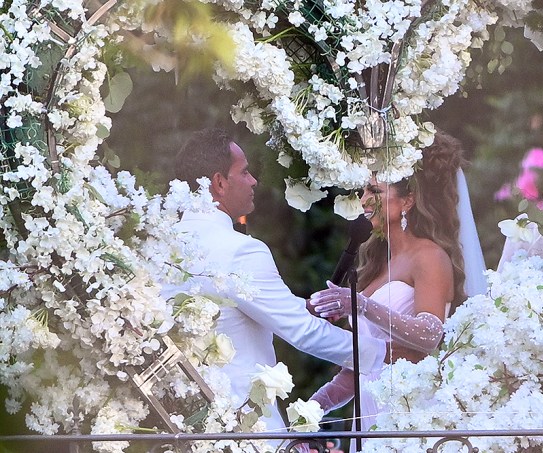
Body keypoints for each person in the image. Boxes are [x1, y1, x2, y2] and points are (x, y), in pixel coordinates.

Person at [161, 128, 388, 431]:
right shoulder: (241, 249)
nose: (253, 180)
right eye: (244, 172)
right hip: (245, 427)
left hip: (185, 425)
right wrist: (381, 352)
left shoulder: (163, 245)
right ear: (219, 183)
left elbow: (233, 311)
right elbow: (304, 333)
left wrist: (304, 306)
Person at [308, 131, 487, 435]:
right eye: (362, 191)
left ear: (407, 200)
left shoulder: (429, 256)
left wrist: (361, 305)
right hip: (368, 415)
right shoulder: (377, 264)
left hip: (409, 412)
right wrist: (311, 410)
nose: (363, 200)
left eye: (374, 191)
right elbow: (361, 368)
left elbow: (430, 335)